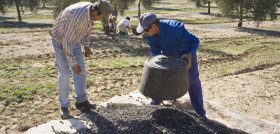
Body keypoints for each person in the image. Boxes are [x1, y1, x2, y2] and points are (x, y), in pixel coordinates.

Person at [49, 1, 112, 119]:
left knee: (81, 70)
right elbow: (67, 42)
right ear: (95, 11)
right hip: (60, 40)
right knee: (65, 74)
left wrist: (86, 46)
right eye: (100, 17)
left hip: (74, 40)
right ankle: (64, 106)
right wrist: (73, 63)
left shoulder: (90, 13)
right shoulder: (76, 17)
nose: (99, 20)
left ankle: (81, 101)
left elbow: (87, 29)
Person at [136, 13, 206, 117]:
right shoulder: (150, 35)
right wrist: (159, 66)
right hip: (168, 56)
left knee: (192, 82)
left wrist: (189, 55)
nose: (144, 33)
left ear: (154, 26)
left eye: (145, 30)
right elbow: (155, 52)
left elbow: (195, 40)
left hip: (185, 56)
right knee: (159, 75)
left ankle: (200, 112)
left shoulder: (175, 28)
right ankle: (155, 104)